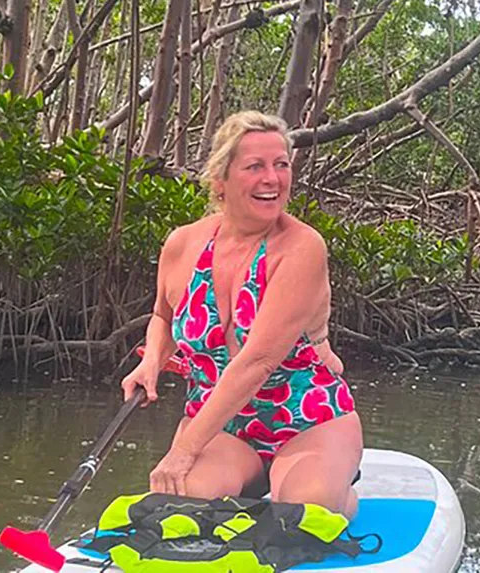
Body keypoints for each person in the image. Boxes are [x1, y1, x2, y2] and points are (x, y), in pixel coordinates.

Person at [121, 111, 362, 518]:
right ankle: (248, 486)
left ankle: (339, 489)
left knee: (307, 511)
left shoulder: (301, 247)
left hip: (308, 419)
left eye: (281, 165)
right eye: (255, 166)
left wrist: (182, 450)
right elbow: (163, 315)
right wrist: (151, 361)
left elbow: (258, 361)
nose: (273, 178)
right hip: (224, 428)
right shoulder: (183, 244)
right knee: (181, 505)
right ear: (221, 180)